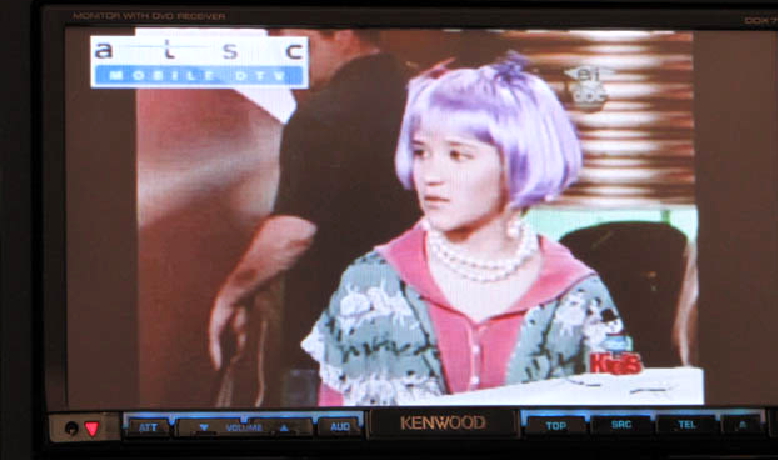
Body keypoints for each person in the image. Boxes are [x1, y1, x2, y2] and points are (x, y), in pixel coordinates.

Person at [301, 53, 629, 406]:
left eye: (457, 155)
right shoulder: (369, 283)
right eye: (421, 152)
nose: (430, 175)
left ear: (517, 162)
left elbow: (619, 414)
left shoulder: (578, 293)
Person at [207, 29, 420, 403]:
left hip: (337, 347)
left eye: (298, 46)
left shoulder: (324, 115)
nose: (288, 59)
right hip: (422, 336)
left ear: (343, 34)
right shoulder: (427, 98)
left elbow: (293, 232)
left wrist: (231, 295)